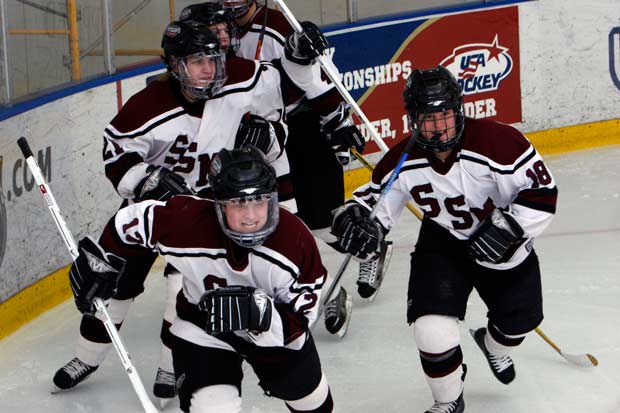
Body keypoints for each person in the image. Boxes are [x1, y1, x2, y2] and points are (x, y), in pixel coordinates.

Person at [51, 20, 328, 402]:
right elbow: (116, 153)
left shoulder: (238, 80)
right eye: (197, 62)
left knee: (182, 290)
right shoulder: (146, 107)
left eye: (213, 60)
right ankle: (87, 357)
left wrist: (298, 56)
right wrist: (147, 178)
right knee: (116, 288)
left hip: (212, 213)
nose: (209, 71)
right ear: (175, 65)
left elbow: (284, 87)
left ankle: (171, 366)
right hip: (152, 209)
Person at [330, 66, 558, 412]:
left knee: (517, 326)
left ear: (459, 110)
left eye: (445, 115)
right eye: (428, 118)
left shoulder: (499, 142)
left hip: (503, 246)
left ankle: (493, 346)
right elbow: (375, 205)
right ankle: (448, 400)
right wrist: (357, 220)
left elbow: (542, 192)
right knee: (430, 330)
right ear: (413, 119)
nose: (438, 127)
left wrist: (511, 227)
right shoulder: (400, 161)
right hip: (443, 244)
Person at [66, 146, 335, 413]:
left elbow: (302, 319)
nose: (251, 217)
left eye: (259, 202)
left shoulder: (295, 241)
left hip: (272, 337)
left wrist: (260, 315)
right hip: (203, 329)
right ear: (218, 205)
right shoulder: (186, 222)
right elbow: (128, 222)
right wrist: (99, 260)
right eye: (239, 204)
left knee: (313, 405)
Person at [218, 0, 391, 329]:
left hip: (304, 126)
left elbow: (319, 77)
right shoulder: (221, 30)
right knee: (283, 222)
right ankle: (323, 289)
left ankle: (371, 251)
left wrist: (336, 121)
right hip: (256, 137)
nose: (231, 3)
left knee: (320, 219)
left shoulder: (281, 28)